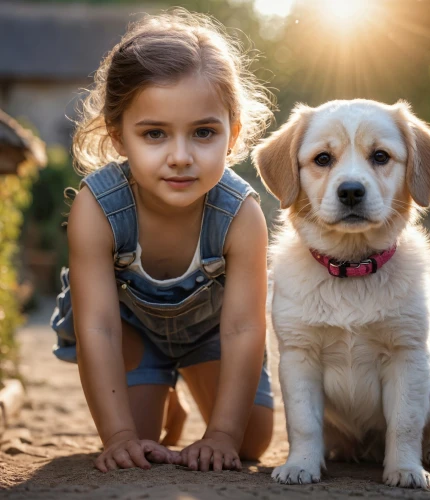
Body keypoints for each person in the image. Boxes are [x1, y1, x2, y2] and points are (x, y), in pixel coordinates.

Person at [50, 9, 275, 474]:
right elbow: (99, 329)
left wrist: (222, 435)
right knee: (139, 443)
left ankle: (196, 382)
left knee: (251, 442)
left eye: (203, 133)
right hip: (130, 330)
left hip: (213, 332)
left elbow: (244, 329)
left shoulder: (241, 215)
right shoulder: (97, 210)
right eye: (154, 134)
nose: (180, 157)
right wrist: (117, 437)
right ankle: (165, 401)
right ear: (118, 138)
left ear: (232, 135)